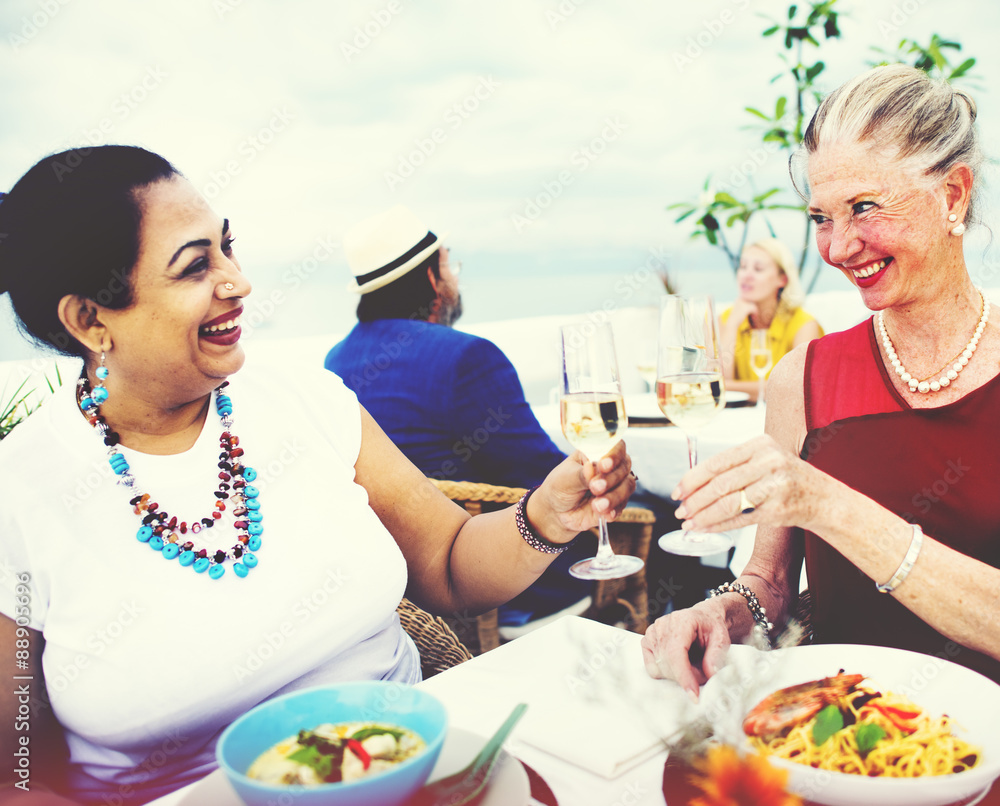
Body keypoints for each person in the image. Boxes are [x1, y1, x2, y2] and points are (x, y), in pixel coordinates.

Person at [0, 146, 636, 805]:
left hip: (412, 775)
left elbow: (449, 565)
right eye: (195, 267)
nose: (237, 281)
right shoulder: (19, 493)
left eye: (228, 248)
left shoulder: (306, 396)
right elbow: (15, 774)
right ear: (89, 319)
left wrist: (544, 518)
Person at [642, 64, 1000, 699]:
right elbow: (770, 586)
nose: (838, 248)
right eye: (821, 217)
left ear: (953, 196)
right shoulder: (801, 379)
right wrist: (719, 614)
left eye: (864, 206)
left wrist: (828, 506)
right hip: (834, 742)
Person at [324, 206, 593, 628]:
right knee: (662, 514)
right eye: (450, 265)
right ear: (432, 278)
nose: (455, 278)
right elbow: (545, 474)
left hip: (399, 590)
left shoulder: (334, 363)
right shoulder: (466, 357)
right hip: (504, 577)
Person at [719, 238, 823, 402]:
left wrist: (726, 387)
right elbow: (717, 382)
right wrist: (732, 326)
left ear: (782, 279)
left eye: (758, 269)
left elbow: (796, 389)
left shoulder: (804, 325)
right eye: (743, 266)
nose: (746, 275)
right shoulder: (727, 319)